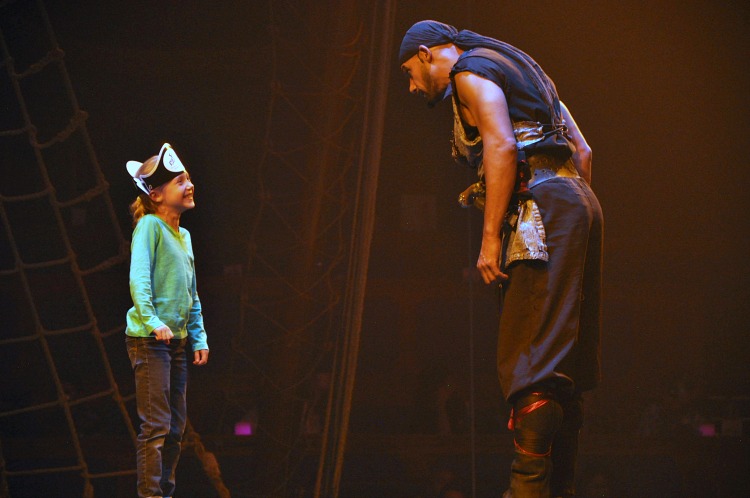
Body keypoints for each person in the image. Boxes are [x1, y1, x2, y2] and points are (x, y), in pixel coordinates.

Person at [399, 21, 603, 498]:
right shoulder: (520, 64)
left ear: (427, 54)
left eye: (409, 72)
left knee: (531, 365)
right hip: (580, 204)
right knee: (561, 367)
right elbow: (583, 151)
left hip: (542, 210)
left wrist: (490, 238)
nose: (411, 85)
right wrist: (574, 218)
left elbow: (502, 144)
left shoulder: (469, 74)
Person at [125, 143, 209, 498]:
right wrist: (152, 320)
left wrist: (199, 336)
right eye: (179, 181)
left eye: (187, 178)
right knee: (156, 426)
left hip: (175, 342)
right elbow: (139, 279)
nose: (188, 185)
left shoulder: (184, 236)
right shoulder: (149, 228)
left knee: (176, 428)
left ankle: (166, 493)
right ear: (157, 195)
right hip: (149, 339)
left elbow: (190, 292)